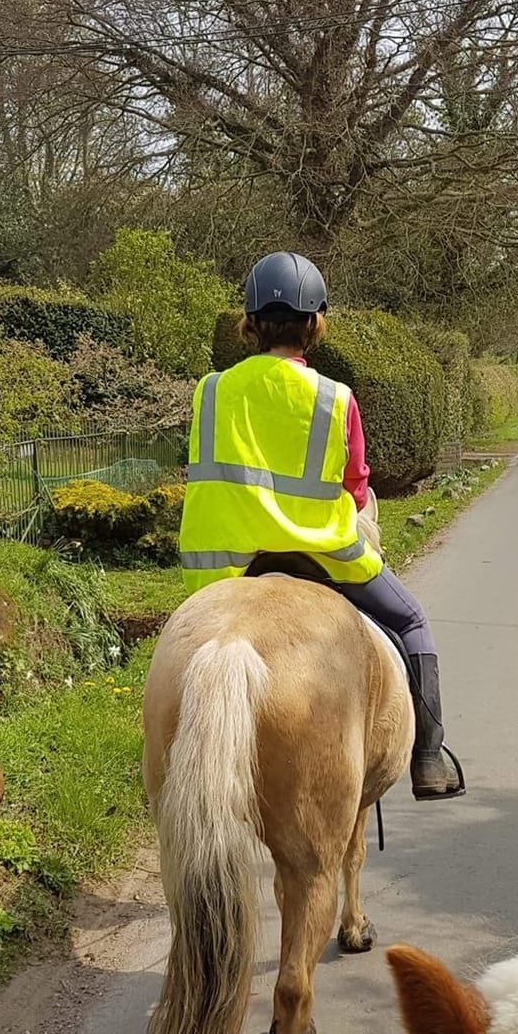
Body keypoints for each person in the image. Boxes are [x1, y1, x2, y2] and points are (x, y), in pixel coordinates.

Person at [179, 250, 465, 800]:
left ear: (250, 323)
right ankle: (428, 761)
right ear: (315, 324)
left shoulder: (210, 390)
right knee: (410, 622)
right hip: (323, 554)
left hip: (223, 566)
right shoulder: (337, 398)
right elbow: (357, 486)